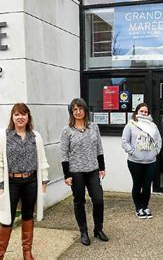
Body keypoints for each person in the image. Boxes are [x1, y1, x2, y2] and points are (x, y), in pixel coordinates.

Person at [0, 103, 50, 260]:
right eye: (17, 114)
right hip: (11, 183)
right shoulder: (3, 135)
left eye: (23, 114)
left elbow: (42, 160)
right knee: (6, 219)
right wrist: (0, 185)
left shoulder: (35, 136)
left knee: (28, 216)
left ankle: (27, 253)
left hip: (31, 182)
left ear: (28, 116)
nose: (20, 117)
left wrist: (44, 181)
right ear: (12, 117)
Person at [60, 98, 108, 246]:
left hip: (93, 170)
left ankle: (98, 229)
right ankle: (83, 232)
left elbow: (99, 148)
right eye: (74, 109)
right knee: (79, 202)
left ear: (85, 110)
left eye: (80, 109)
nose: (78, 112)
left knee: (98, 200)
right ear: (71, 112)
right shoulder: (67, 131)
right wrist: (66, 175)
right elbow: (64, 154)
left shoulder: (94, 127)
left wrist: (102, 167)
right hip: (76, 172)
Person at [121, 103, 162, 219]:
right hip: (135, 162)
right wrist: (133, 152)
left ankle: (145, 206)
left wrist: (156, 152)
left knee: (147, 185)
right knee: (137, 184)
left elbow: (158, 140)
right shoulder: (130, 125)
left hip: (150, 162)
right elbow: (124, 141)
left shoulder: (153, 126)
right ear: (136, 112)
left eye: (146, 112)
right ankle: (138, 208)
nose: (144, 113)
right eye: (141, 111)